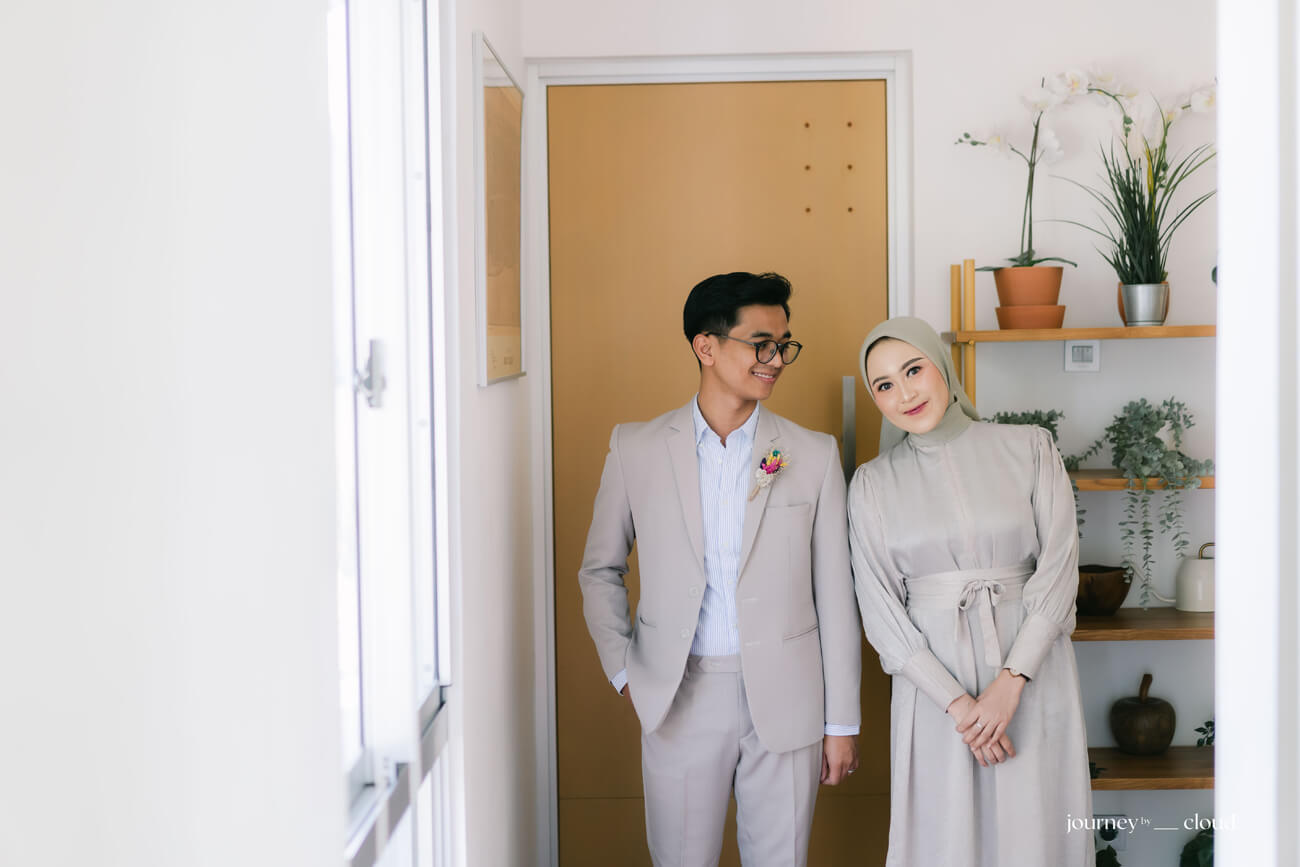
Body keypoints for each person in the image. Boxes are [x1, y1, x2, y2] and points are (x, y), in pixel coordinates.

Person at [578, 272, 862, 866]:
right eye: (761, 344)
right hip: (676, 693)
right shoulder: (635, 448)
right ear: (705, 346)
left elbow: (837, 595)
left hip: (788, 698)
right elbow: (600, 569)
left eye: (783, 345)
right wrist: (626, 672)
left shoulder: (812, 454)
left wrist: (842, 722)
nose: (776, 360)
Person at [848, 316, 1092, 867]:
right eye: (884, 384)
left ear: (943, 366)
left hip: (1034, 672)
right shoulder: (872, 485)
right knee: (947, 838)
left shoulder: (1029, 447)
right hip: (936, 695)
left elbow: (1058, 570)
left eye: (914, 370)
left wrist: (1011, 682)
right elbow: (882, 615)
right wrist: (961, 707)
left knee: (1037, 830)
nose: (904, 393)